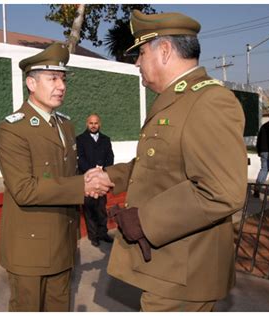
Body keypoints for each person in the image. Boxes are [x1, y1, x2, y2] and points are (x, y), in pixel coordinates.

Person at [87, 10, 248, 311]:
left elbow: (222, 190)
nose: (136, 62)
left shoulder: (208, 101)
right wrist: (111, 176)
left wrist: (145, 220)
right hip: (169, 268)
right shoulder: (178, 99)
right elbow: (157, 163)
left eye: (141, 53)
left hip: (186, 274)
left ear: (164, 50)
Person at [0, 42, 114, 312]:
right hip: (31, 246)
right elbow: (24, 189)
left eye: (63, 79)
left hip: (63, 240)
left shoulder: (66, 124)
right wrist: (82, 184)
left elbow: (67, 176)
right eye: (52, 78)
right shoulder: (11, 129)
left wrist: (91, 181)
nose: (61, 85)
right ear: (31, 83)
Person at [77, 114, 115, 247]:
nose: (93, 125)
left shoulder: (106, 139)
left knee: (101, 207)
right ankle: (93, 236)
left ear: (100, 124)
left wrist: (104, 171)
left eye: (96, 123)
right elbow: (80, 158)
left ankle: (103, 233)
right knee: (89, 209)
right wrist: (92, 173)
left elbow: (110, 156)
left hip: (102, 178)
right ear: (87, 124)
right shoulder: (80, 140)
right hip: (87, 179)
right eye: (91, 123)